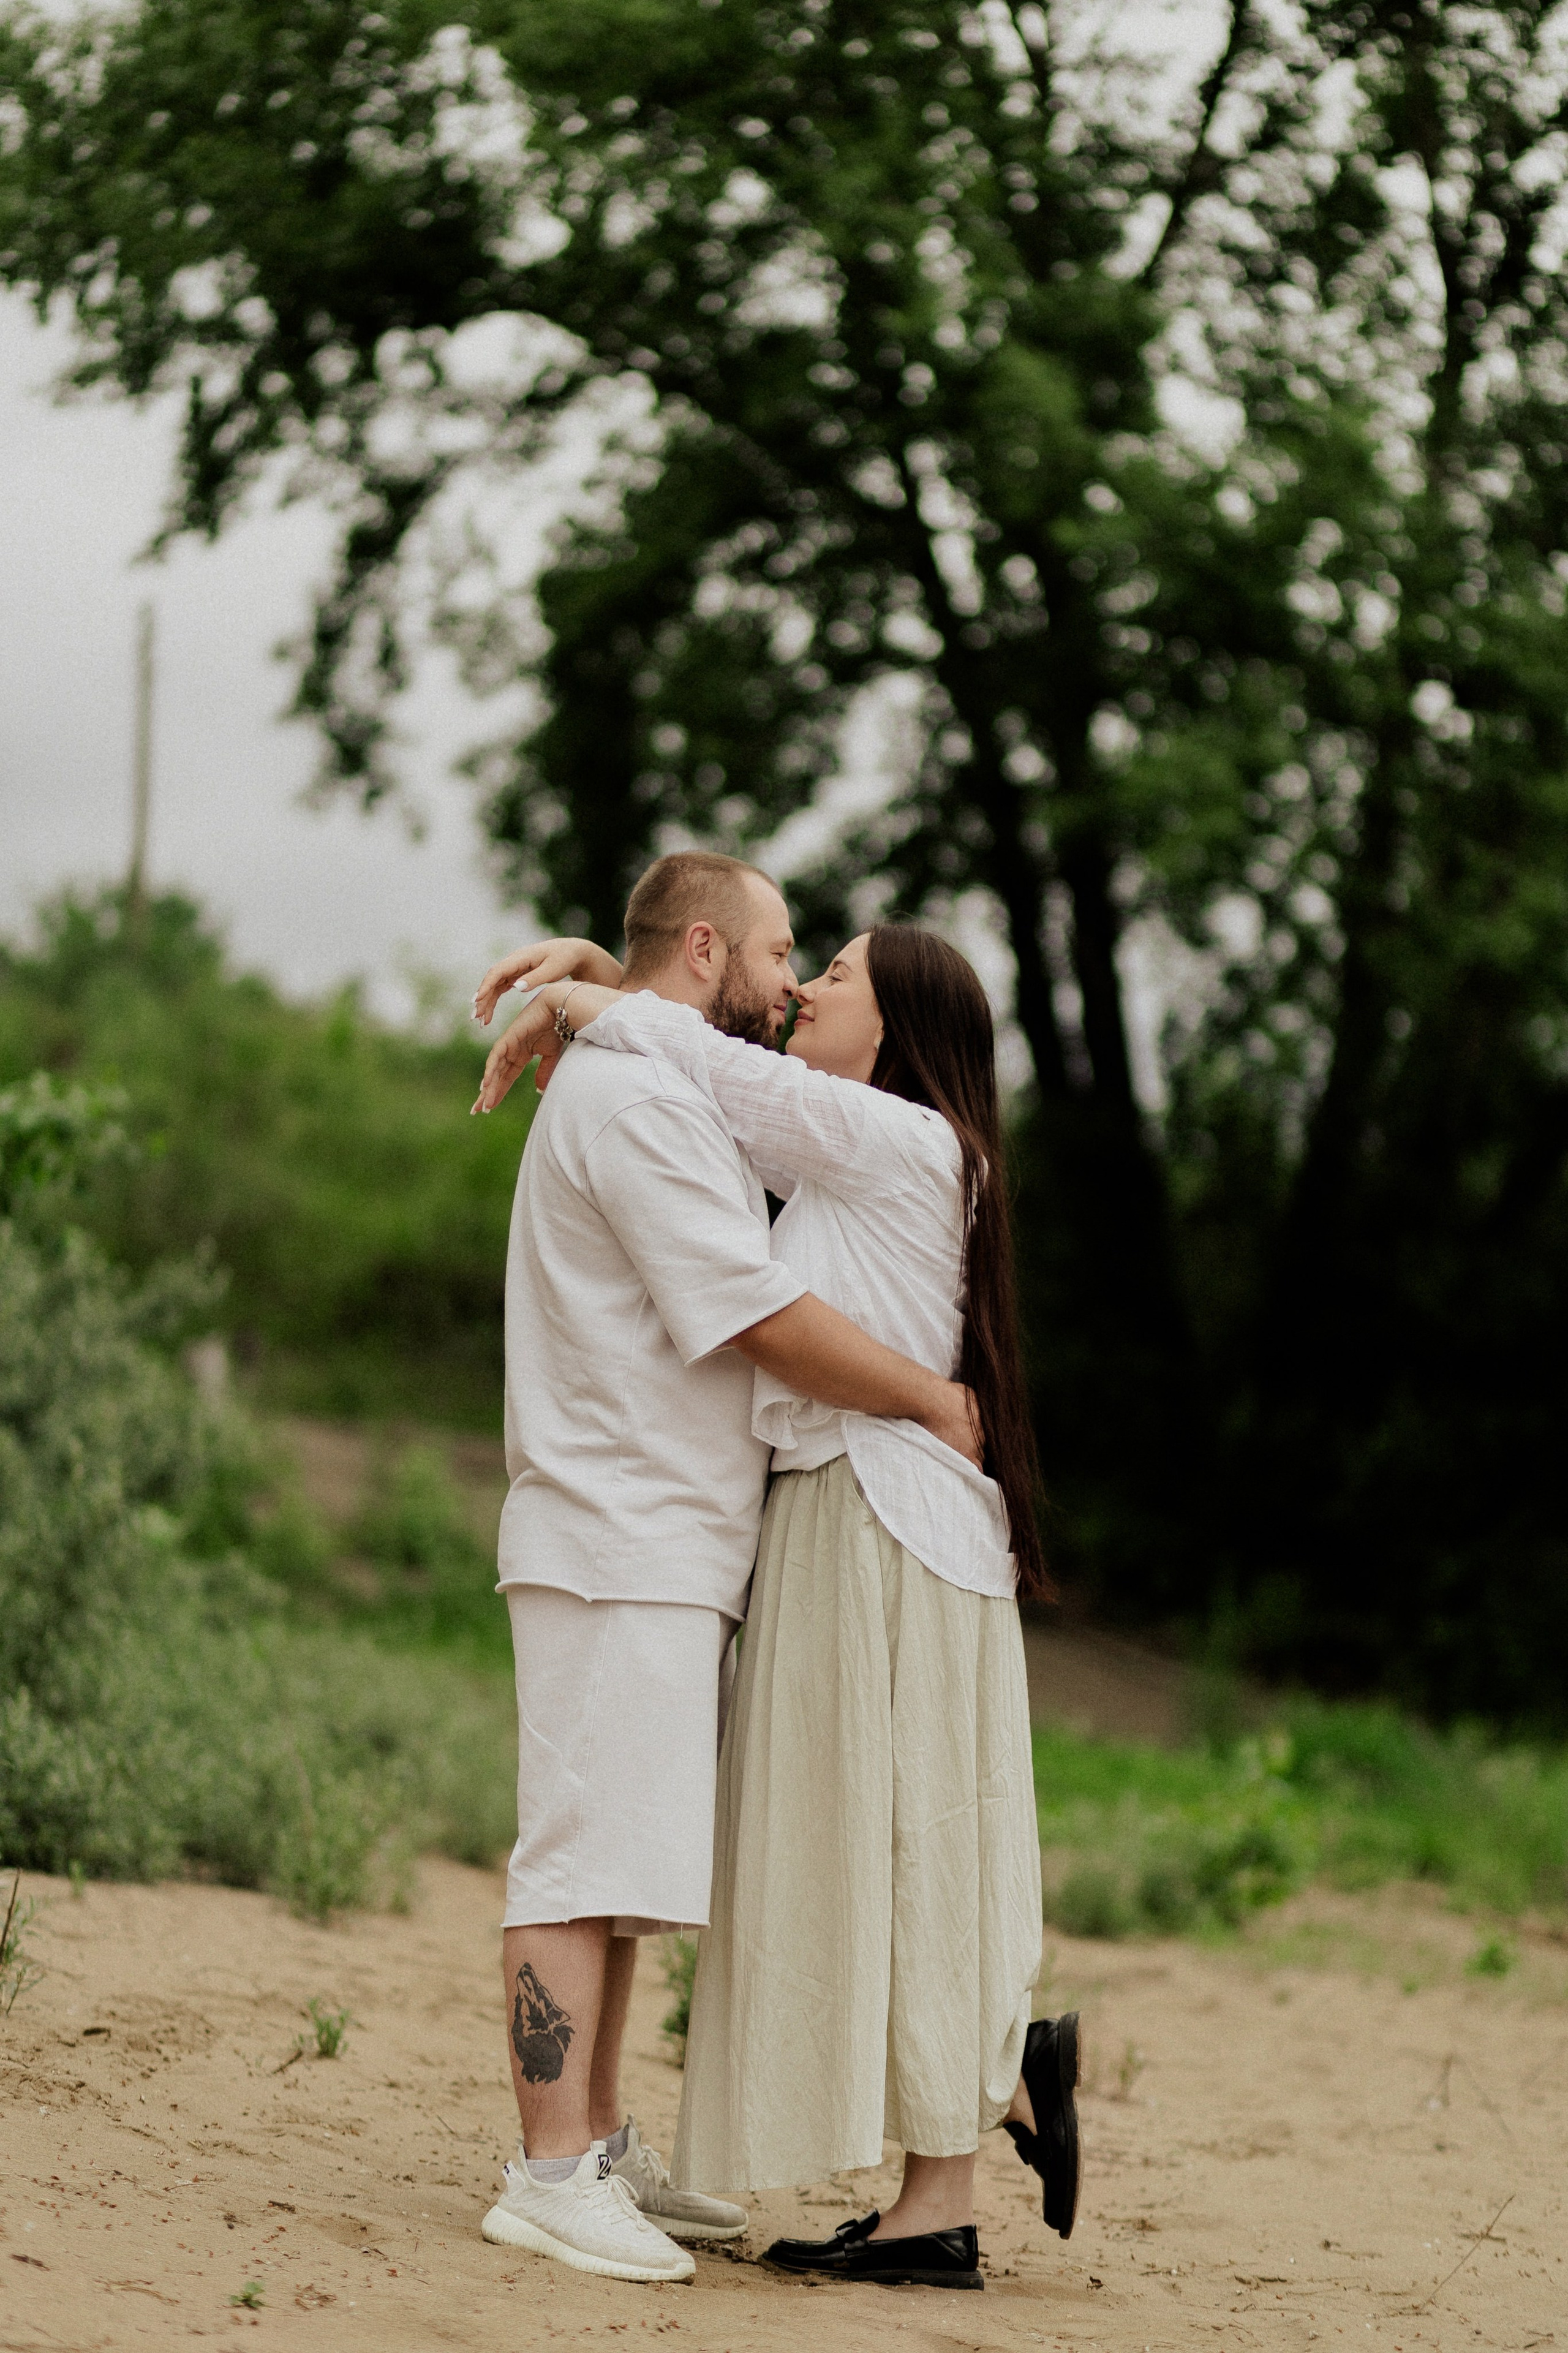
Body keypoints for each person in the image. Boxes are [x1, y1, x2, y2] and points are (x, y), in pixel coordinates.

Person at [478, 919, 1082, 2292]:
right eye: (799, 958)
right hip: (857, 1510)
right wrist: (615, 974)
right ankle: (979, 2108)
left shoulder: (894, 1138)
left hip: (875, 1508)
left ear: (898, 1027)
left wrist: (587, 992)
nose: (805, 987)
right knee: (870, 1834)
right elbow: (693, 1078)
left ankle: (957, 2160)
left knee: (889, 1832)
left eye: (836, 973)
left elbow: (707, 1064)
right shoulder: (865, 1146)